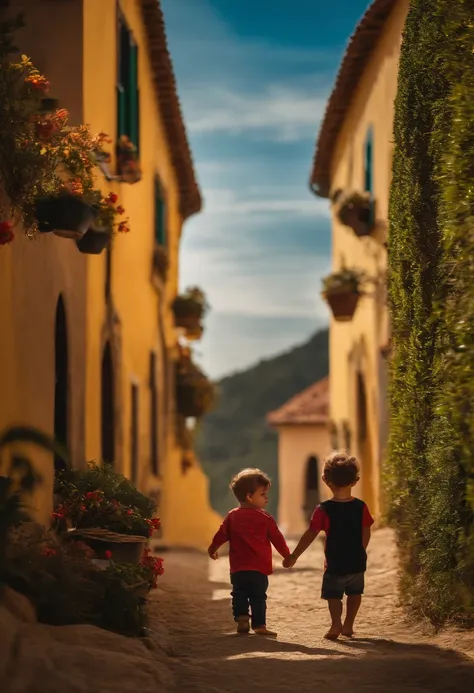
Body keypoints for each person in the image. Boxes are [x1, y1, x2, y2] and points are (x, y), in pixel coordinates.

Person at [283, 451, 374, 639]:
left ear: (325, 480)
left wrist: (295, 555)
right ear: (355, 480)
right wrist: (362, 549)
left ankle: (336, 624)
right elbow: (366, 529)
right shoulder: (361, 506)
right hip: (357, 560)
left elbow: (311, 534)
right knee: (355, 593)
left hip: (334, 562)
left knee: (334, 596)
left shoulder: (323, 509)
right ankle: (349, 624)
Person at [208, 468, 290, 637]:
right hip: (259, 568)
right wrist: (288, 556)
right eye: (263, 494)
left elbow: (221, 535)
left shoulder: (232, 516)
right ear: (249, 496)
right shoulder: (265, 518)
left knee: (239, 593)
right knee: (258, 596)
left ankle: (242, 619)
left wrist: (213, 548)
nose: (266, 497)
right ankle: (259, 625)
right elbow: (278, 539)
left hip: (238, 568)